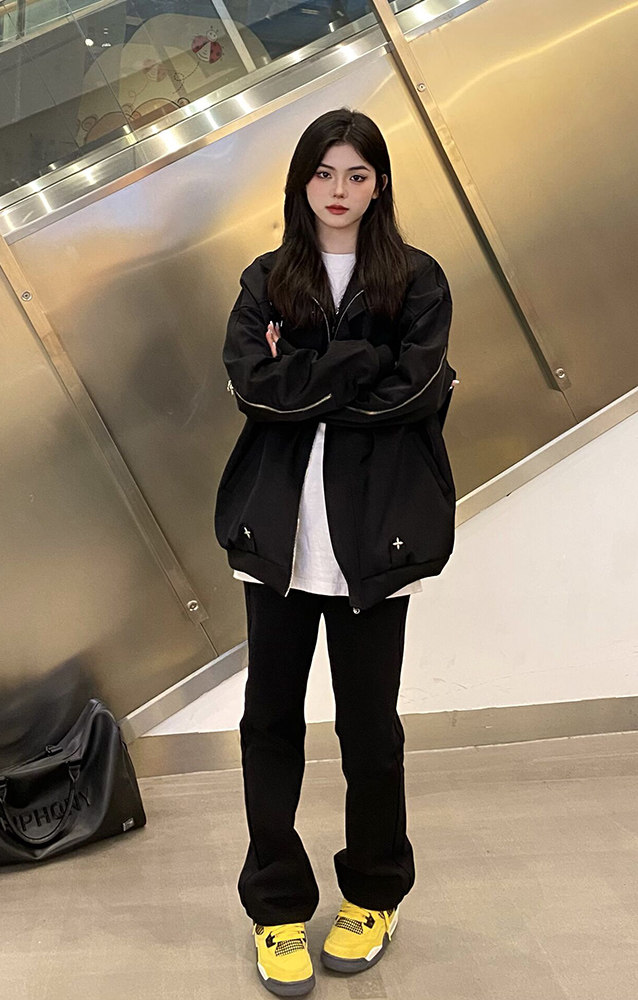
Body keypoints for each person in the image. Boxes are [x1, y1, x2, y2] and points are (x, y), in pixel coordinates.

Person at [214, 107, 459, 996]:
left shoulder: (418, 280)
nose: (340, 190)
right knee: (269, 727)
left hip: (373, 544)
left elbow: (415, 395)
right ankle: (277, 909)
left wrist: (308, 372)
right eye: (324, 173)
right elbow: (254, 388)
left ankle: (373, 896)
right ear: (302, 182)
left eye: (357, 174)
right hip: (277, 543)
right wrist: (359, 362)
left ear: (379, 184)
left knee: (370, 734)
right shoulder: (267, 278)